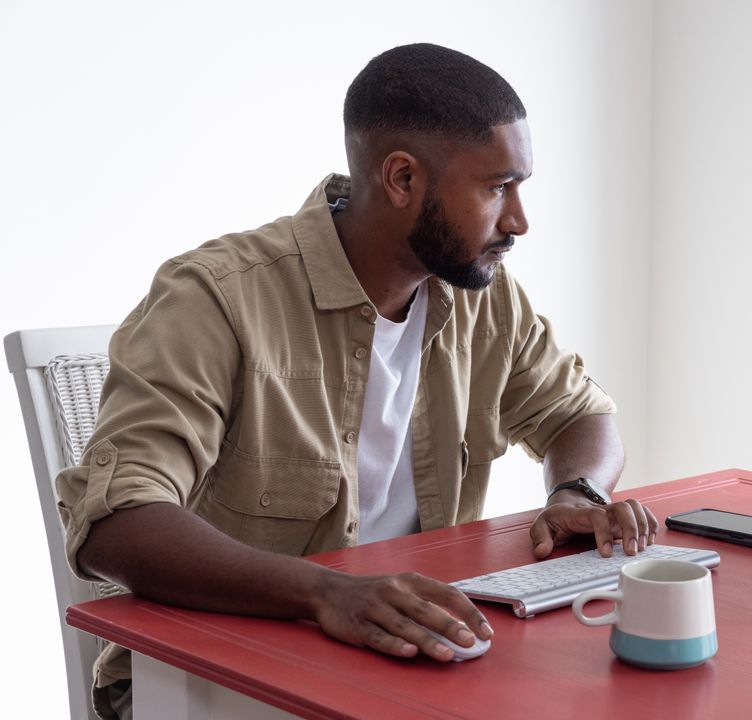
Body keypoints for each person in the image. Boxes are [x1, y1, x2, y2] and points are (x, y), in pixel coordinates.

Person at [56, 42, 657, 719]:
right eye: (496, 188)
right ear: (401, 179)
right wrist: (325, 593)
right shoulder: (217, 297)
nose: (518, 221)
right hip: (207, 681)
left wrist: (577, 489)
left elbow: (579, 413)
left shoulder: (481, 297)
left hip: (402, 661)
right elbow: (118, 523)